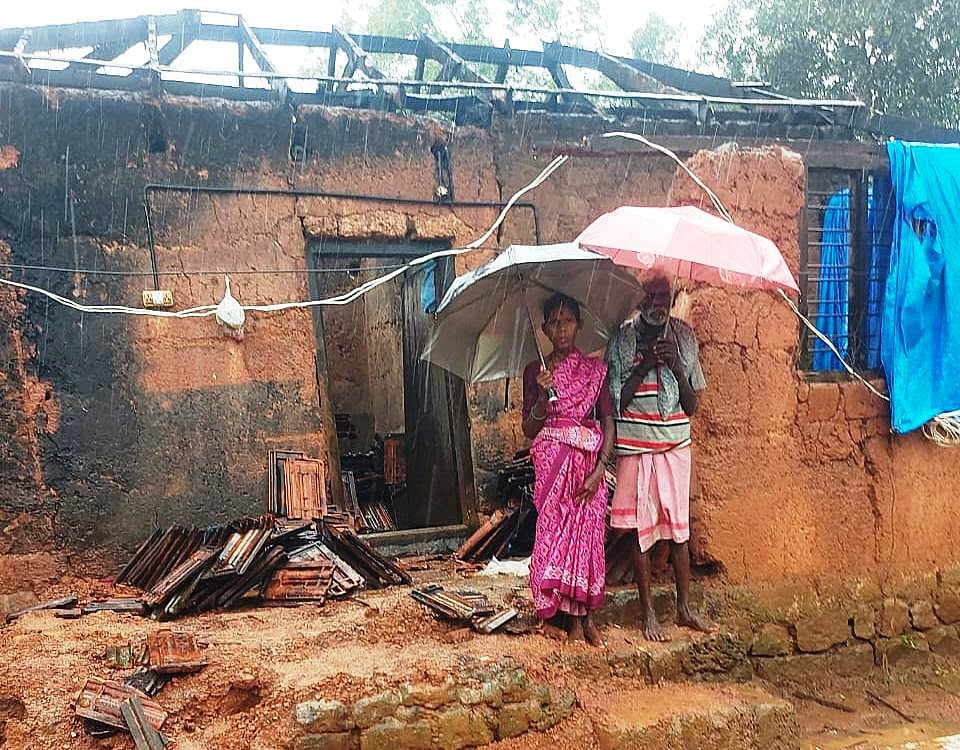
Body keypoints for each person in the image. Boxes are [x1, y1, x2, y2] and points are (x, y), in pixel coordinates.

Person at [605, 274, 712, 642]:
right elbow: (615, 401)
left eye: (662, 296)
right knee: (641, 530)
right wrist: (644, 365)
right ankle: (647, 612)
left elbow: (692, 405)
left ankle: (683, 609)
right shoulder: (622, 339)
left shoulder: (683, 337)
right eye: (649, 296)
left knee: (678, 530)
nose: (656, 303)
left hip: (674, 445)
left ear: (670, 299)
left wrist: (677, 368)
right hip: (635, 447)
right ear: (639, 300)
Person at [521, 293, 615, 645]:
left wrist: (599, 470)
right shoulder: (535, 371)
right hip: (552, 465)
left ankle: (586, 620)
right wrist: (544, 397)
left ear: (579, 325)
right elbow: (529, 429)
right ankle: (566, 619)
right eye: (554, 322)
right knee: (556, 536)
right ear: (544, 329)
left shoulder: (594, 371)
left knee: (586, 539)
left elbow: (607, 421)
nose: (561, 329)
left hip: (587, 465)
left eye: (568, 321)